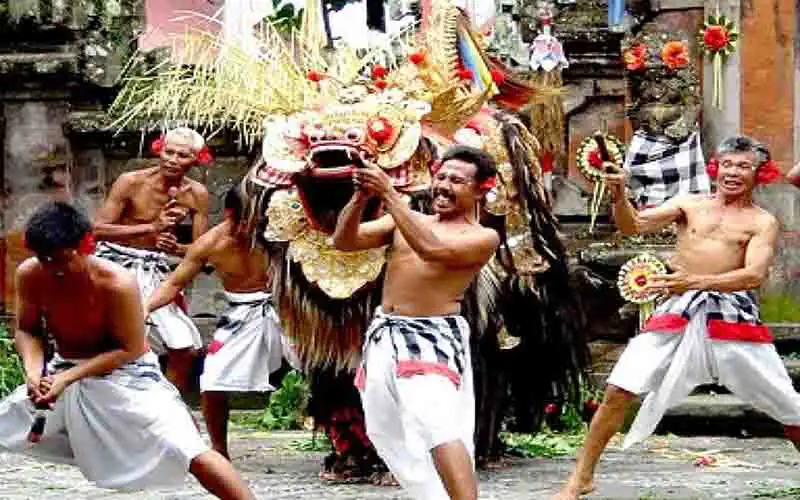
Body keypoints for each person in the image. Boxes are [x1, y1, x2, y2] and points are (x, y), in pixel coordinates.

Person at [554, 136, 800, 500]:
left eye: (743, 166)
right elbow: (633, 225)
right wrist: (619, 194)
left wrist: (695, 280)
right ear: (715, 167)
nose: (733, 172)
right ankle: (580, 478)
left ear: (759, 173)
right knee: (620, 388)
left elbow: (753, 276)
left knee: (789, 406)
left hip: (732, 316)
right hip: (678, 312)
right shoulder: (689, 204)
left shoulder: (762, 222)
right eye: (727, 164)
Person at [0, 202, 254, 499]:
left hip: (128, 374)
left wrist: (67, 379)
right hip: (63, 369)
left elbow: (130, 349)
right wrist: (34, 374)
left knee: (188, 449)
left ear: (86, 246)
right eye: (43, 259)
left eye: (61, 259)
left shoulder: (118, 283)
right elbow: (27, 329)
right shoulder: (31, 274)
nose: (53, 268)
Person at [333, 145, 501, 500]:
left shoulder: (483, 237)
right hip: (385, 335)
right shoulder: (407, 219)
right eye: (441, 176)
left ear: (481, 188)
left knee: (435, 422)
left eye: (457, 180)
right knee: (384, 430)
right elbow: (344, 242)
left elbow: (433, 251)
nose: (443, 186)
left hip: (432, 337)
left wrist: (389, 194)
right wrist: (361, 198)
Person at [145, 185, 296, 459]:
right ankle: (219, 452)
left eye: (258, 221)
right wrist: (143, 309)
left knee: (326, 372)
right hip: (241, 315)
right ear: (229, 214)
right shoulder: (210, 244)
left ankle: (350, 446)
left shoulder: (279, 235)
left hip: (287, 308)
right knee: (212, 380)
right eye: (245, 221)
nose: (252, 228)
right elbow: (174, 283)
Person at [93, 127, 210, 394]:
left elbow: (199, 252)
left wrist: (177, 247)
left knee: (184, 347)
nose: (173, 160)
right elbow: (98, 230)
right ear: (159, 149)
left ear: (196, 160)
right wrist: (151, 228)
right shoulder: (131, 181)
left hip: (155, 270)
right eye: (169, 152)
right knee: (113, 342)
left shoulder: (197, 194)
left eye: (182, 155)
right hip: (115, 264)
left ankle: (168, 406)